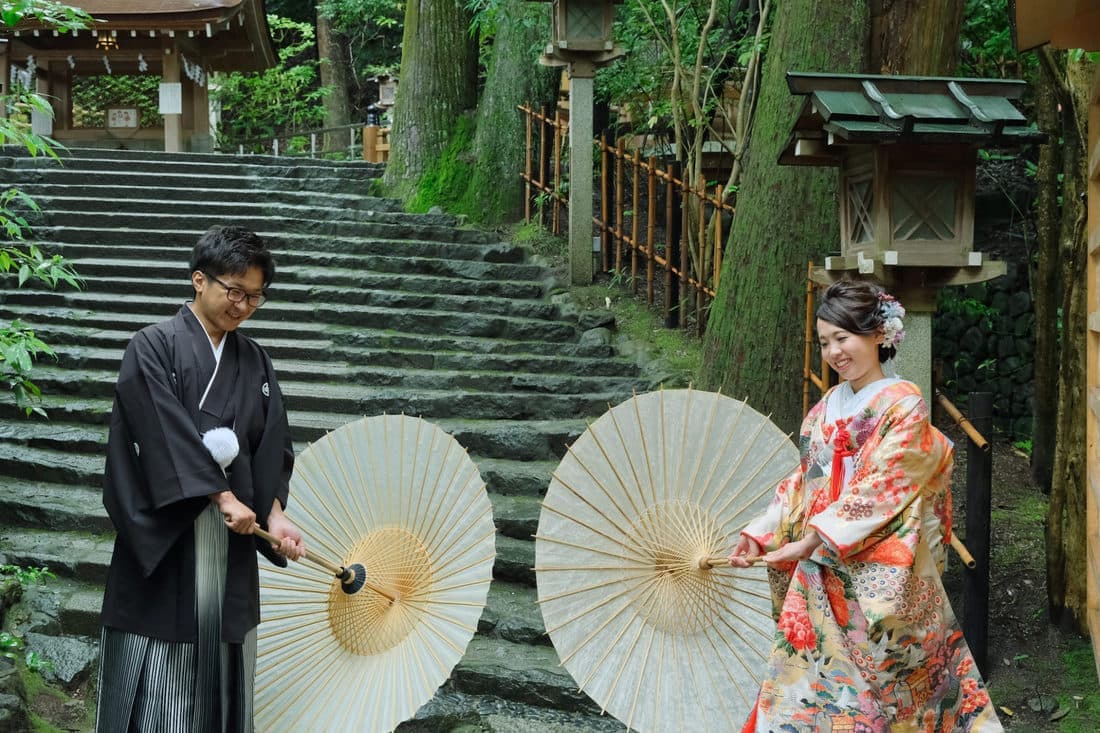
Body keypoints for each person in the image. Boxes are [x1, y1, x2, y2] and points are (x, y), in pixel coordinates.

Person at [729, 280, 1001, 732]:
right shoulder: (823, 411)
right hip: (819, 570)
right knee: (802, 693)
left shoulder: (905, 405)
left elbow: (883, 487)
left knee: (897, 699)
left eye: (843, 337)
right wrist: (760, 531)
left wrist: (814, 537)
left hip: (880, 574)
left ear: (879, 333)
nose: (835, 351)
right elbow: (802, 484)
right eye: (824, 342)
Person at [96, 225, 306, 732]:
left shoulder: (255, 361)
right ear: (199, 281)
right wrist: (220, 493)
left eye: (255, 296)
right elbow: (158, 428)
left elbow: (270, 446)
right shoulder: (152, 346)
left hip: (233, 541)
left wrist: (275, 517)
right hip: (169, 537)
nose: (244, 306)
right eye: (235, 291)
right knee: (160, 686)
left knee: (222, 674)